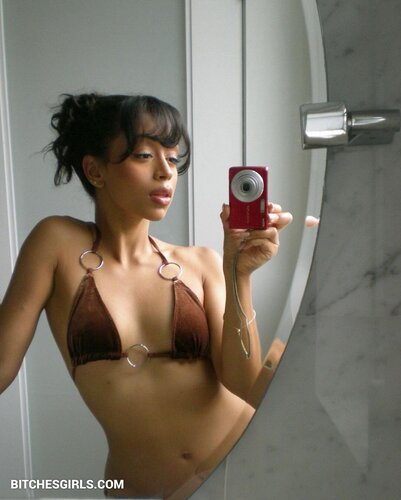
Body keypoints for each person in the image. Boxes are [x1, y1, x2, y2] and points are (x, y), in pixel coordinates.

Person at [0, 93, 292, 498]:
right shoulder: (56, 243)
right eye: (143, 156)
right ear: (95, 170)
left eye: (172, 159)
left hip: (243, 470)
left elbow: (244, 384)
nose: (165, 172)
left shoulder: (202, 263)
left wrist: (238, 274)